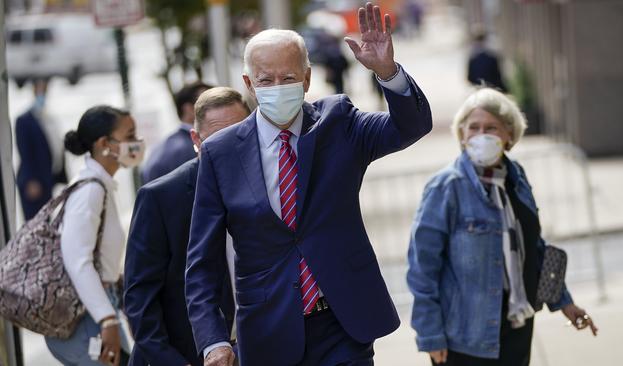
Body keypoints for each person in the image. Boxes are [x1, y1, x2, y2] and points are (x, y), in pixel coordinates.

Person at [185, 2, 433, 365]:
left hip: (343, 322)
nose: (275, 87)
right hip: (269, 329)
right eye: (265, 80)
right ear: (248, 83)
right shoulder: (220, 153)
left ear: (306, 79)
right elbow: (202, 263)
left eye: (287, 78)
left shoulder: (340, 123)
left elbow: (410, 127)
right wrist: (213, 340)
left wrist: (388, 73)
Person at [406, 88, 597, 366]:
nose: (481, 135)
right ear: (462, 135)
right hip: (466, 336)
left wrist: (564, 301)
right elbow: (422, 267)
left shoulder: (516, 176)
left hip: (517, 326)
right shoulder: (446, 187)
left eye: (491, 128)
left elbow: (533, 246)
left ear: (509, 136)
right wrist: (430, 334)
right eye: (473, 127)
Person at [124, 87, 250, 366]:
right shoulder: (161, 198)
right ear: (196, 139)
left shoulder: (270, 187)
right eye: (218, 140)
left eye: (239, 136)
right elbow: (140, 300)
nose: (230, 149)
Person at [45, 106, 145, 366]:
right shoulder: (90, 191)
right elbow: (77, 260)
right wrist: (107, 319)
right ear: (104, 144)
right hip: (87, 317)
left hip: (99, 308)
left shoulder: (100, 186)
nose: (137, 142)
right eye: (130, 134)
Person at [15, 78, 67, 220]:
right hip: (33, 182)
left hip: (47, 179)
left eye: (44, 90)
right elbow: (25, 152)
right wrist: (31, 180)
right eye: (39, 90)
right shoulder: (24, 120)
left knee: (46, 222)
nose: (42, 94)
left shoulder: (48, 118)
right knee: (35, 224)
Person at [141, 82, 211, 184]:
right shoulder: (191, 148)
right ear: (188, 109)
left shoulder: (161, 147)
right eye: (209, 104)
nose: (217, 109)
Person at [467, 28, 508, 92]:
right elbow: (498, 77)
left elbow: (469, 78)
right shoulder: (492, 57)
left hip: (478, 90)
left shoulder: (472, 59)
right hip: (492, 89)